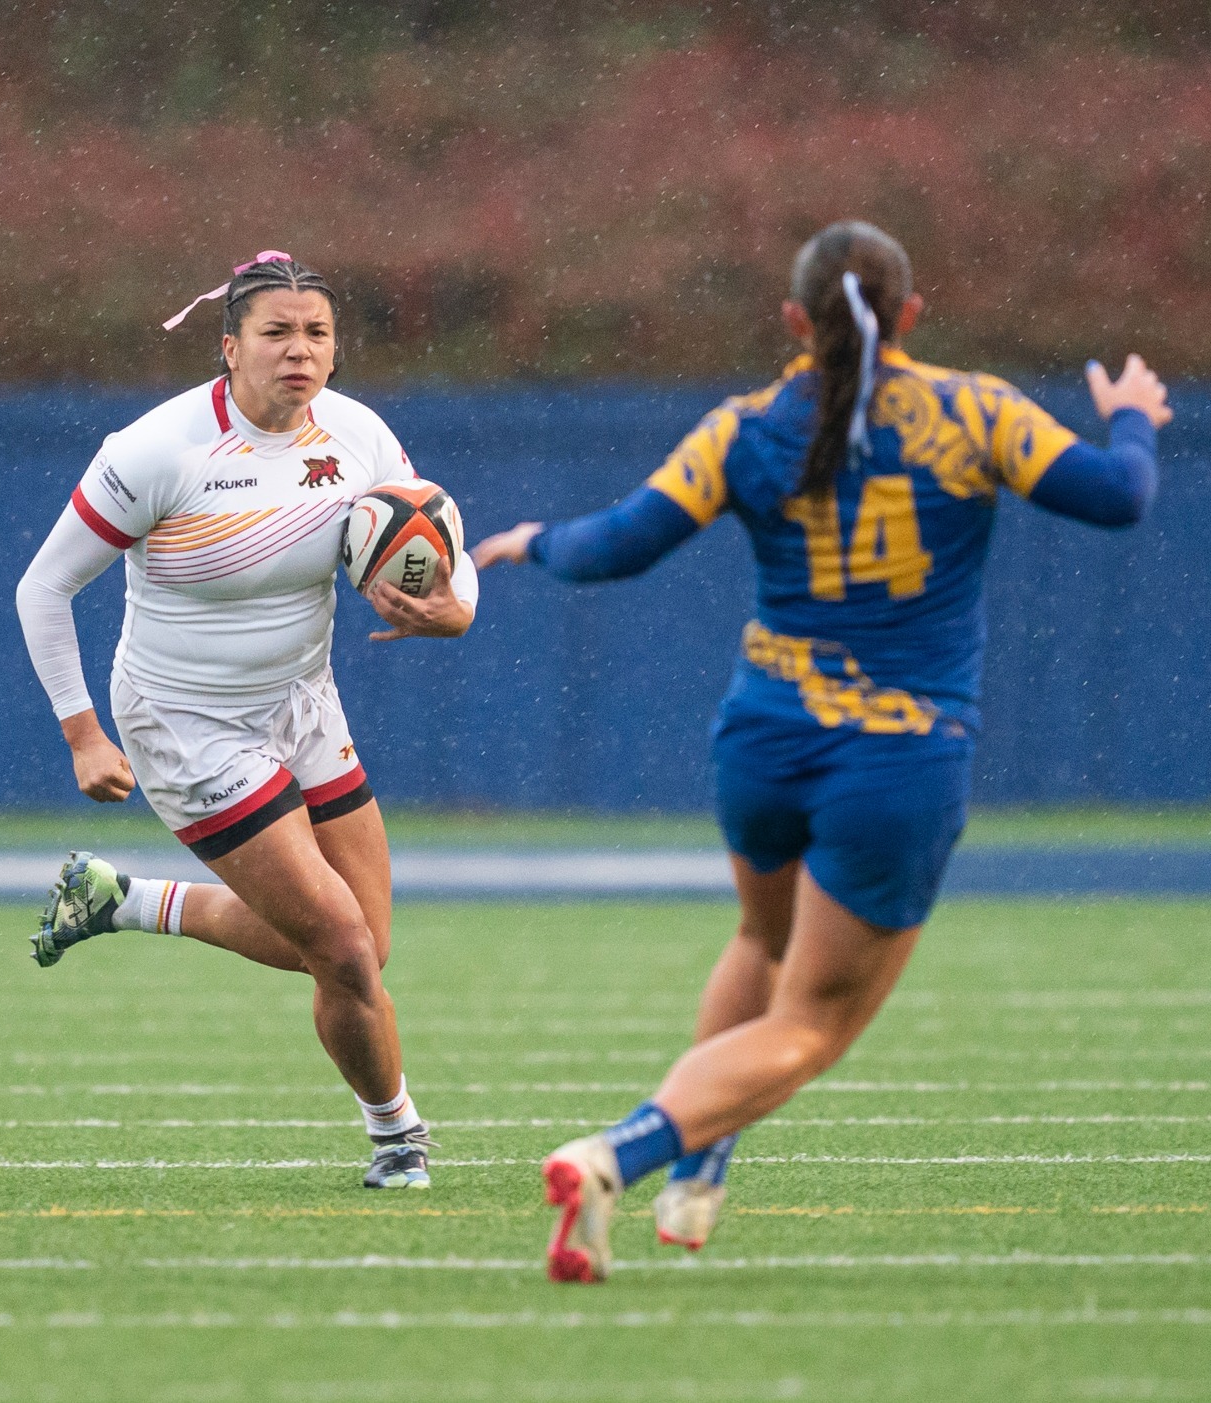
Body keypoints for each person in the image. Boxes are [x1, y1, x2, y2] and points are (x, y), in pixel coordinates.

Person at [472, 220, 1167, 1281]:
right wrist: (1130, 422)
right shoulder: (974, 408)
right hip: (895, 758)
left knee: (759, 942)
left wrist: (532, 542)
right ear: (909, 314)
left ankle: (701, 1173)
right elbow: (1118, 497)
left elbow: (618, 545)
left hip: (762, 739)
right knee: (811, 1026)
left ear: (794, 319)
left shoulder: (746, 425)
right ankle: (618, 1154)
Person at [14, 251, 477, 1189]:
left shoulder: (357, 436)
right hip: (184, 722)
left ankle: (126, 901)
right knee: (343, 949)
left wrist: (457, 605)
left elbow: (432, 536)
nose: (298, 352)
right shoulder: (158, 450)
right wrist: (81, 732)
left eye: (316, 334)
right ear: (229, 347)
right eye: (276, 333)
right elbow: (42, 588)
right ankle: (398, 1139)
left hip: (304, 702)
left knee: (366, 943)